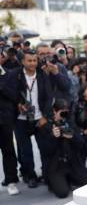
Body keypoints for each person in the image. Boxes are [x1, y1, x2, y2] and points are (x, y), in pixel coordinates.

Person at [14, 50, 53, 188]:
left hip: (39, 118)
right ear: (23, 62)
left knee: (45, 148)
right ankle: (30, 175)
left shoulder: (43, 75)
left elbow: (49, 98)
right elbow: (9, 92)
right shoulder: (16, 75)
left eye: (34, 60)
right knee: (26, 151)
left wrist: (45, 116)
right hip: (21, 119)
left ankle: (47, 174)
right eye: (29, 60)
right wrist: (17, 104)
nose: (32, 63)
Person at [43, 98, 87, 198]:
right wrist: (53, 137)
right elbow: (45, 151)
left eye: (66, 112)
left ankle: (71, 179)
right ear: (54, 111)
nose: (64, 115)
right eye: (61, 113)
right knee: (62, 193)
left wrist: (72, 136)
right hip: (57, 166)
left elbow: (81, 144)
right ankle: (56, 181)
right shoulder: (47, 125)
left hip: (72, 164)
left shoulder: (70, 123)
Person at [0, 62, 19, 195]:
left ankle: (11, 181)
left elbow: (14, 95)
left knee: (8, 151)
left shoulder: (9, 74)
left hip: (5, 120)